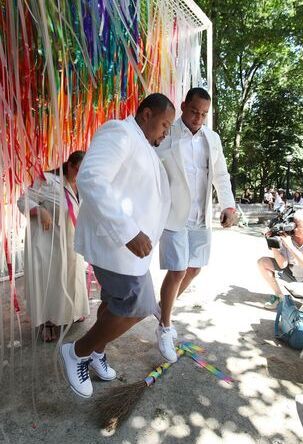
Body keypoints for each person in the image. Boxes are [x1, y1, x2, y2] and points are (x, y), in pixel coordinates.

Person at [60, 93, 175, 398]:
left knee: (114, 305)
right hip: (115, 244)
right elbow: (92, 179)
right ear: (147, 114)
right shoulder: (120, 132)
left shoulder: (146, 146)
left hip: (131, 250)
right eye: (164, 124)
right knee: (139, 307)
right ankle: (78, 351)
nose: (166, 132)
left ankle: (96, 351)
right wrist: (128, 231)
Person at [155, 87, 236, 363]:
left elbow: (221, 175)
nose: (198, 118)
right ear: (183, 105)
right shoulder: (167, 135)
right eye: (193, 111)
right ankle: (164, 326)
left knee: (194, 268)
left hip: (201, 217)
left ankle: (163, 307)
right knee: (176, 270)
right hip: (174, 216)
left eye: (203, 114)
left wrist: (228, 205)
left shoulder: (212, 139)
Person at [17, 151, 90, 342]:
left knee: (71, 278)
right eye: (79, 169)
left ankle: (73, 312)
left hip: (72, 241)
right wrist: (39, 210)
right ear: (70, 165)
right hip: (48, 243)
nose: (82, 174)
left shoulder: (82, 184)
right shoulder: (48, 180)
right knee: (50, 282)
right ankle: (47, 322)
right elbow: (22, 200)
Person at [258, 209, 303, 309]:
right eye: (294, 225)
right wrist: (273, 243)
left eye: (300, 227)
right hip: (293, 273)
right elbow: (283, 265)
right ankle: (280, 297)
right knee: (263, 262)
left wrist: (291, 247)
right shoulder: (289, 235)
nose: (295, 229)